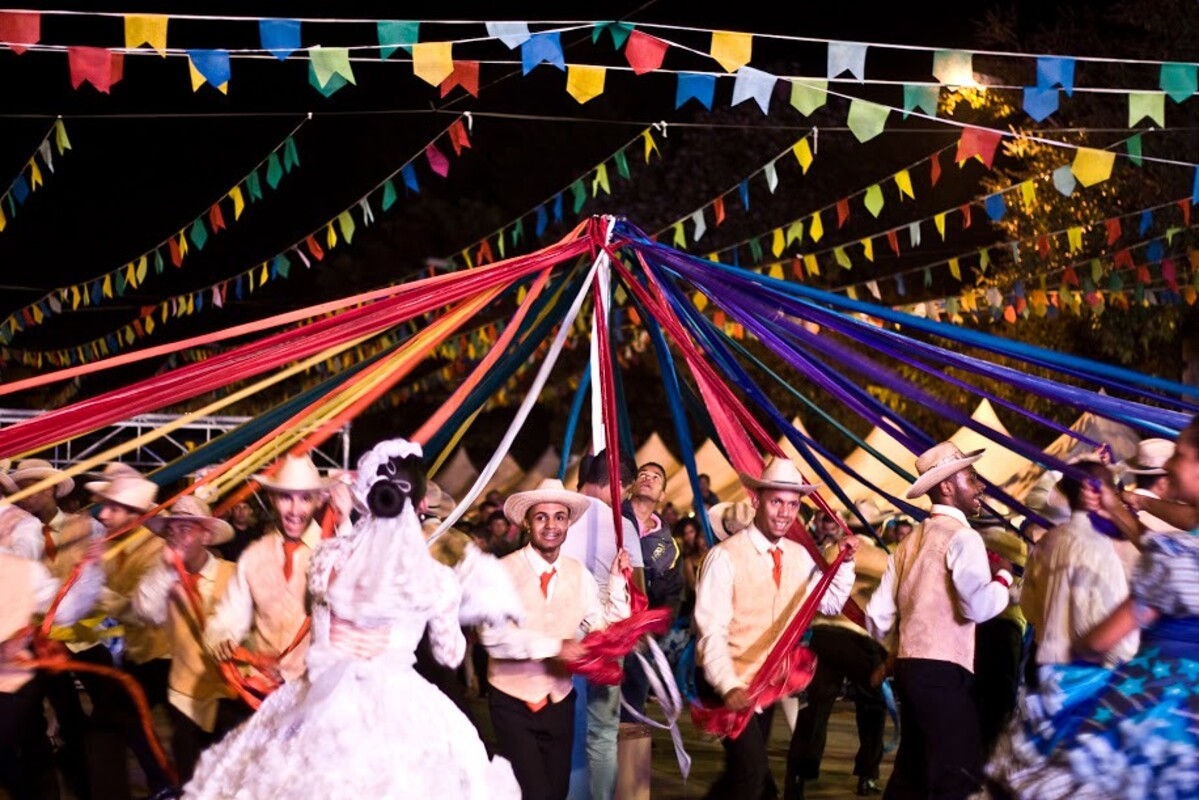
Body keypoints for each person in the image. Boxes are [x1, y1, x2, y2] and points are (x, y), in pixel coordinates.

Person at [184, 438, 519, 798]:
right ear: (419, 503)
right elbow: (449, 654)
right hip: (400, 706)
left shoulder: (328, 558)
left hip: (325, 698)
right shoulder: (435, 578)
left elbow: (324, 635)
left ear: (366, 496)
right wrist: (458, 601)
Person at [986, 417, 1199, 798]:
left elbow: (1101, 636)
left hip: (1155, 708)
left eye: (1179, 456)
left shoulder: (1171, 550)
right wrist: (1126, 507)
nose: (1169, 465)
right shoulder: (1166, 538)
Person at [694, 457, 858, 800]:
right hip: (729, 682)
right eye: (776, 501)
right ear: (757, 500)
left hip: (766, 685)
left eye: (793, 504)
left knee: (746, 777)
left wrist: (844, 563)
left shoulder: (798, 556)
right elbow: (711, 630)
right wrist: (728, 685)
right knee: (751, 776)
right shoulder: (724, 557)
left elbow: (827, 603)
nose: (785, 512)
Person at [865, 442, 1014, 800]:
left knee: (913, 769)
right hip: (944, 670)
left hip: (911, 668)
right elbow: (976, 607)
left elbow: (876, 615)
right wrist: (1004, 580)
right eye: (972, 478)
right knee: (958, 771)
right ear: (947, 486)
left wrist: (899, 650)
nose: (980, 486)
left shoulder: (909, 542)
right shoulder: (963, 538)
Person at [480, 478, 630, 800]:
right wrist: (555, 647)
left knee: (556, 792)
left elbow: (601, 629)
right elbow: (492, 637)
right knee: (534, 793)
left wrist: (618, 585)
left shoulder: (579, 574)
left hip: (559, 701)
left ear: (568, 523)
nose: (551, 525)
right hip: (511, 702)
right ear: (527, 522)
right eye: (541, 517)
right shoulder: (502, 572)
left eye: (559, 517)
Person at [132, 496, 243, 784]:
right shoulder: (163, 578)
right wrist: (168, 569)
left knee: (230, 779)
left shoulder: (233, 574)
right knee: (189, 780)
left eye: (186, 529)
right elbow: (146, 611)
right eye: (172, 530)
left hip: (230, 693)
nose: (175, 537)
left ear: (206, 536)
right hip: (185, 696)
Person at [205, 453, 341, 686]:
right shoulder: (253, 556)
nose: (295, 510)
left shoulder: (335, 553)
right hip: (261, 691)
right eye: (286, 498)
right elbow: (228, 619)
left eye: (305, 498)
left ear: (319, 500)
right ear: (272, 498)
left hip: (317, 693)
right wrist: (222, 639)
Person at [85, 471, 179, 800]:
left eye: (113, 507)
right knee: (124, 721)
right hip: (142, 653)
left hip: (170, 656)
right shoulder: (113, 546)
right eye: (105, 506)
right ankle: (164, 783)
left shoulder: (159, 549)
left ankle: (166, 783)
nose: (104, 514)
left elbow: (142, 611)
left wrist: (96, 586)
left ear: (136, 515)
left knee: (115, 721)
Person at [786, 508, 889, 799]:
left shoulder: (831, 551)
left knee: (816, 706)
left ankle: (798, 777)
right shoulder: (884, 560)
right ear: (879, 529)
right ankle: (867, 775)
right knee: (873, 705)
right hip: (861, 640)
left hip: (823, 636)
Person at [562, 449, 643, 800]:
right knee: (602, 734)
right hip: (606, 640)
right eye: (627, 491)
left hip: (563, 635)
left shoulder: (560, 517)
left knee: (567, 728)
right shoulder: (622, 528)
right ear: (620, 485)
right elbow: (637, 590)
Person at [0, 536, 102, 800]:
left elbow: (66, 609)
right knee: (26, 751)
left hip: (13, 681)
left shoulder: (20, 569)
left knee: (26, 749)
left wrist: (88, 570)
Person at [1019, 458, 1139, 673]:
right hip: (1088, 678)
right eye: (1112, 489)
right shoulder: (1099, 546)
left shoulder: (1047, 542)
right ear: (1096, 492)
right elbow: (1119, 643)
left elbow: (1028, 607)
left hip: (1047, 674)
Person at [619, 461, 684, 724]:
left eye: (656, 477)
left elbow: (672, 596)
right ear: (633, 484)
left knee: (632, 706)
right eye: (643, 474)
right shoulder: (613, 519)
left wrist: (651, 631)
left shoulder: (668, 548)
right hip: (601, 626)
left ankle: (625, 763)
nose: (648, 478)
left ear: (663, 495)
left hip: (639, 637)